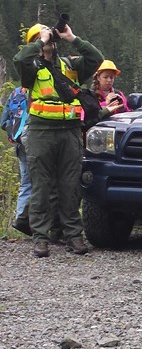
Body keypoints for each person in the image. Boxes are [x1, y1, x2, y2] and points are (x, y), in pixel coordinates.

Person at [13, 21, 104, 257]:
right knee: (42, 187)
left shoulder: (69, 65)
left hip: (70, 131)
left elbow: (96, 58)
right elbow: (20, 60)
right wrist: (40, 41)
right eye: (44, 38)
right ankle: (40, 238)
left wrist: (72, 38)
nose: (49, 41)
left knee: (70, 186)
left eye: (50, 38)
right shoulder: (31, 67)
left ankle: (73, 235)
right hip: (41, 132)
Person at [0, 88, 32, 235]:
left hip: (21, 144)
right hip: (39, 142)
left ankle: (21, 219)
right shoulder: (42, 91)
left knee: (26, 183)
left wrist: (15, 132)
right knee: (45, 182)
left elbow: (3, 122)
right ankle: (36, 222)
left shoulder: (16, 93)